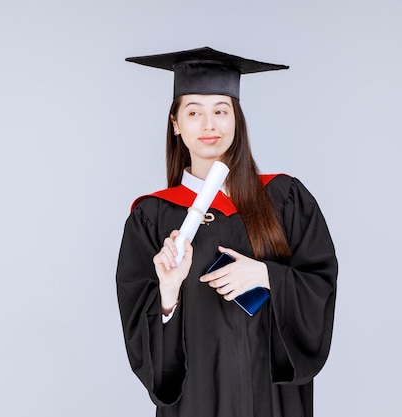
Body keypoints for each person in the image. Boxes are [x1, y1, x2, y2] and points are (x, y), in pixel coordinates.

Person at [115, 47, 337, 417]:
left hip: (272, 399)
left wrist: (267, 275)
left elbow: (321, 287)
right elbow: (147, 348)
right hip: (197, 401)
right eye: (194, 113)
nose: (209, 125)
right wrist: (168, 295)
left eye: (221, 111)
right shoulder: (152, 216)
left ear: (237, 120)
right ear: (175, 123)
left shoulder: (284, 198)